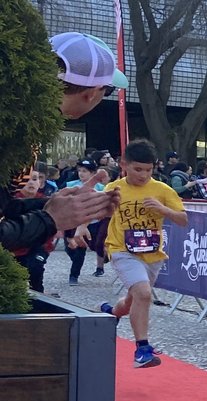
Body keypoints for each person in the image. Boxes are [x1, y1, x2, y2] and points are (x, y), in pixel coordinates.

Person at [1, 32, 123, 251]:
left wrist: (54, 206)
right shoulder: (17, 132)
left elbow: (4, 208)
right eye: (108, 90)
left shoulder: (22, 122)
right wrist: (50, 218)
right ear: (93, 93)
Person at [98, 139, 188, 367]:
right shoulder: (114, 188)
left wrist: (163, 209)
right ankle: (142, 350)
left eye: (148, 170)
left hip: (151, 253)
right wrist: (79, 229)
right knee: (144, 293)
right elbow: (99, 212)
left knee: (133, 299)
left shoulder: (162, 190)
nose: (143, 175)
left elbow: (183, 220)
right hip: (121, 249)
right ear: (124, 164)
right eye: (138, 169)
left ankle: (112, 313)